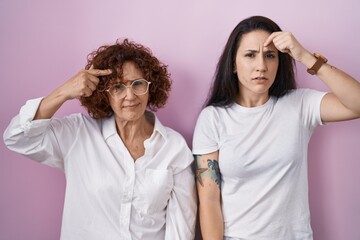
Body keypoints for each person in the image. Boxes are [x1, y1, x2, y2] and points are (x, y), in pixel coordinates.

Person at [3, 39, 197, 240]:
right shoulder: (78, 134)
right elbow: (16, 137)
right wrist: (63, 93)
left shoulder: (174, 147)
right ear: (104, 94)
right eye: (118, 87)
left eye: (137, 84)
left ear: (151, 87)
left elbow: (181, 228)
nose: (130, 96)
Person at [192, 15, 360, 240]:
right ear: (233, 63)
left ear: (279, 62)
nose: (261, 66)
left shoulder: (299, 104)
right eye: (250, 55)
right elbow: (209, 200)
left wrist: (306, 58)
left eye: (270, 56)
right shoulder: (213, 119)